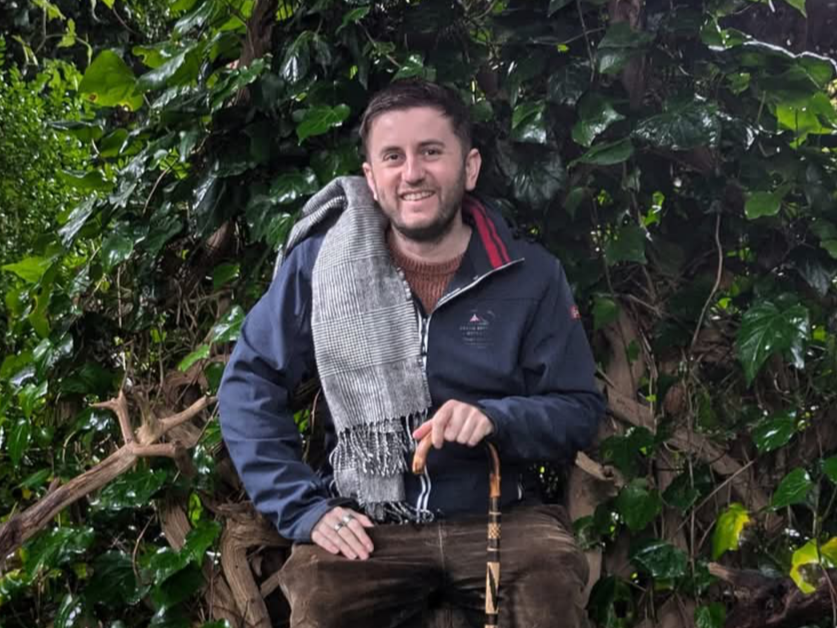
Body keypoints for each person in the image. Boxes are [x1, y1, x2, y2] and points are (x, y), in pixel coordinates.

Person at [218, 78, 605, 628]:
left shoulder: (532, 274)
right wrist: (304, 508)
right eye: (393, 157)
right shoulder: (322, 268)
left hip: (503, 518)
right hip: (369, 526)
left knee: (550, 598)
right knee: (322, 610)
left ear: (468, 168)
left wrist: (497, 417)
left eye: (431, 152)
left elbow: (578, 409)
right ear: (372, 179)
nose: (413, 173)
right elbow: (248, 384)